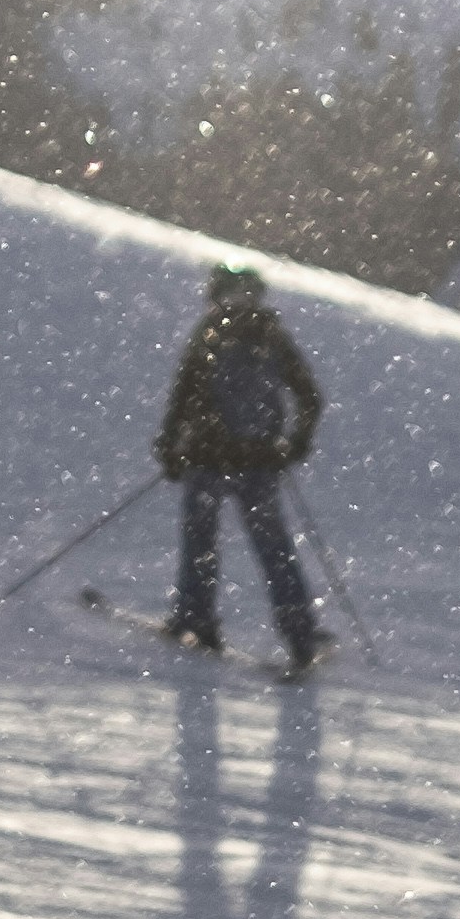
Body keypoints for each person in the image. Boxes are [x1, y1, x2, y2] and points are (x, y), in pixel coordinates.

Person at [159, 260, 330, 674]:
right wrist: (295, 443)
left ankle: (196, 619)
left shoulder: (209, 335)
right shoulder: (273, 338)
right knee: (274, 548)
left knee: (201, 541)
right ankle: (300, 634)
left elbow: (183, 396)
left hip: (208, 459)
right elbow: (310, 396)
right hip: (259, 461)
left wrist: (171, 447)